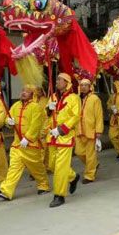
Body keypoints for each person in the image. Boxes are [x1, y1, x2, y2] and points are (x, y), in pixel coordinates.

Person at [0, 85, 50, 200]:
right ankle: (6, 191)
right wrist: (8, 122)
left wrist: (28, 138)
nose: (23, 93)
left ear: (32, 94)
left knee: (37, 168)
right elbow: (8, 118)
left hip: (31, 145)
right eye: (23, 90)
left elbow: (36, 124)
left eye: (27, 91)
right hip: (17, 144)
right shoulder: (15, 106)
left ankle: (43, 185)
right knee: (13, 168)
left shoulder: (36, 107)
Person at [47, 73, 81, 208]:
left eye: (59, 80)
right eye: (56, 80)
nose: (57, 82)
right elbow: (46, 116)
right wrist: (48, 110)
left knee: (60, 167)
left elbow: (76, 116)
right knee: (52, 165)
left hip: (65, 136)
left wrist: (62, 129)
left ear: (67, 82)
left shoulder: (74, 98)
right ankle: (73, 177)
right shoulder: (53, 97)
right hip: (52, 136)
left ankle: (59, 195)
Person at [75, 78, 104, 184]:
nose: (83, 87)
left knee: (90, 155)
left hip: (91, 130)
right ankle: (94, 165)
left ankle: (89, 175)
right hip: (79, 130)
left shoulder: (95, 99)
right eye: (81, 85)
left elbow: (99, 115)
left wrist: (99, 130)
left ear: (90, 87)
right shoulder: (76, 99)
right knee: (78, 152)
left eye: (85, 85)